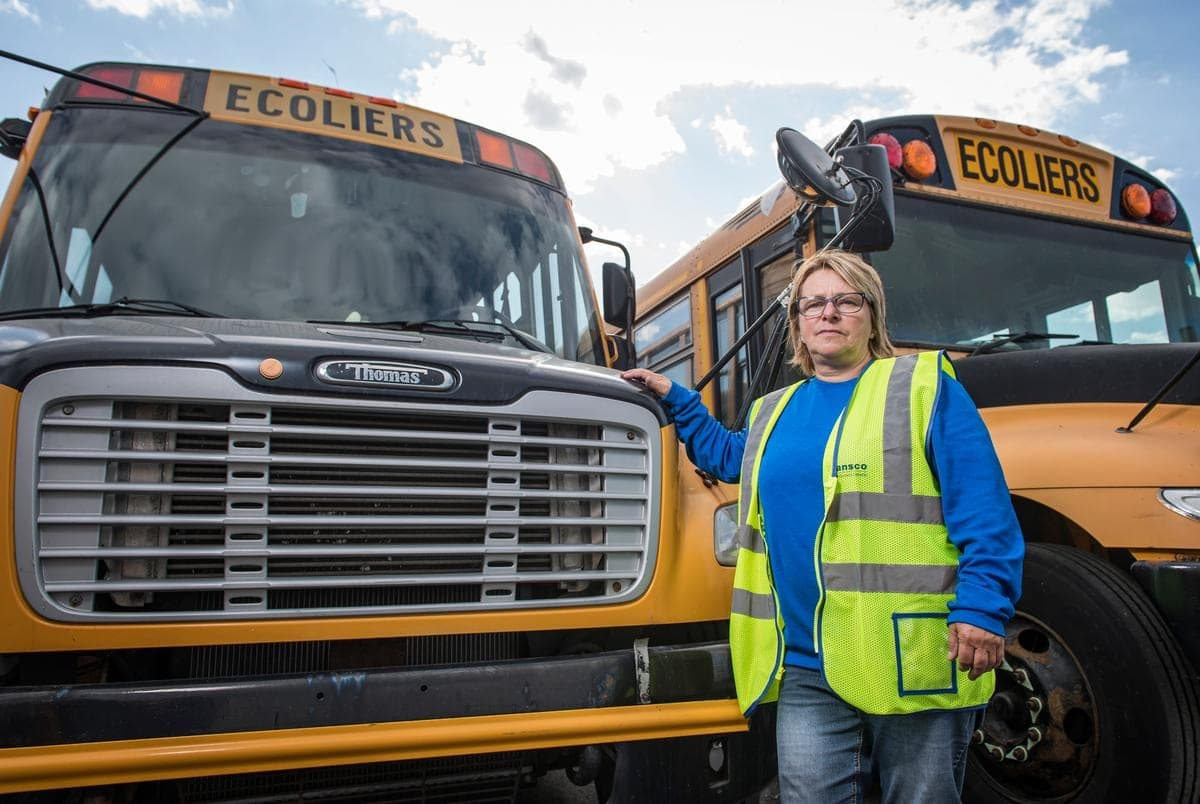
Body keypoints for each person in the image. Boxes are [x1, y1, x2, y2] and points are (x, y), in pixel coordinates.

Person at [622, 249, 1023, 803]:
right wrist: (678, 399)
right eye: (813, 304)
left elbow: (983, 507)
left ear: (872, 316)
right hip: (809, 662)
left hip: (913, 656)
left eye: (846, 301)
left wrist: (983, 608)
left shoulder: (922, 386)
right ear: (799, 326)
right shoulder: (774, 410)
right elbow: (732, 459)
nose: (828, 313)